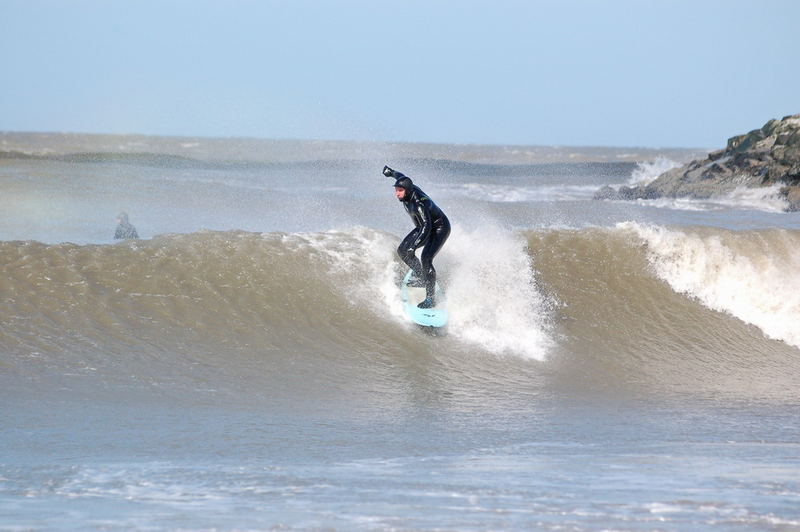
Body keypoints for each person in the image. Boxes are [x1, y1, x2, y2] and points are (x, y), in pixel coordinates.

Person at [384, 166, 450, 309]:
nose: (397, 194)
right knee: (402, 251)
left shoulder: (418, 204)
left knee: (426, 258)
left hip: (439, 228)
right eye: (396, 190)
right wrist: (392, 173)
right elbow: (402, 177)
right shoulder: (408, 187)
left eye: (400, 191)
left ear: (407, 191)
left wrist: (414, 247)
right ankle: (421, 276)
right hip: (423, 227)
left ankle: (431, 299)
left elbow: (427, 227)